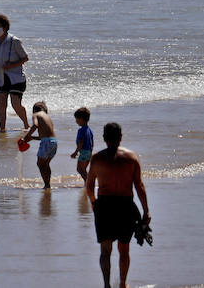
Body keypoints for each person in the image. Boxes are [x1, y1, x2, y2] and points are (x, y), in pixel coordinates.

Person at [85, 122, 150, 288]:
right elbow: (139, 185)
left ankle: (107, 285)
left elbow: (89, 186)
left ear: (104, 138)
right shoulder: (131, 157)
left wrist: (94, 203)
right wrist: (146, 211)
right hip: (125, 206)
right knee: (124, 249)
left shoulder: (97, 158)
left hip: (105, 206)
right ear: (121, 137)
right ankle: (122, 283)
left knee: (105, 250)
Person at [0, 13, 30, 131]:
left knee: (15, 104)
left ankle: (26, 125)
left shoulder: (15, 41)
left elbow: (25, 58)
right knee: (1, 105)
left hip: (16, 78)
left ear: (5, 27)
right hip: (0, 77)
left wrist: (11, 66)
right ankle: (2, 129)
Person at [18, 101, 58, 188]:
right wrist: (32, 138)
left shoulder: (36, 115)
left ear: (34, 110)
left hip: (46, 142)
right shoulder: (47, 118)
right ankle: (48, 184)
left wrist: (25, 138)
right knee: (46, 164)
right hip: (54, 142)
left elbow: (35, 125)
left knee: (40, 164)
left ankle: (46, 185)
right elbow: (42, 137)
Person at [72, 107, 95, 183]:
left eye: (77, 119)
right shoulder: (89, 130)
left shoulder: (81, 130)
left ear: (81, 119)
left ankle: (88, 182)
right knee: (83, 169)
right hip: (89, 152)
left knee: (79, 169)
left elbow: (80, 142)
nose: (76, 121)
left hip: (83, 152)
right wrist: (90, 151)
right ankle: (88, 182)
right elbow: (92, 142)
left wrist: (76, 152)